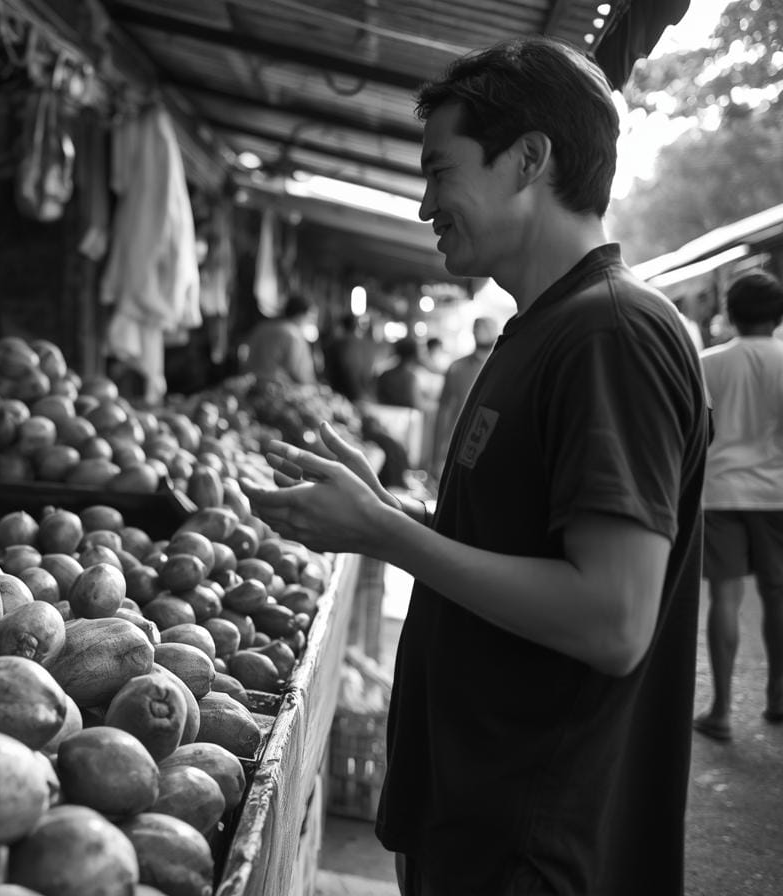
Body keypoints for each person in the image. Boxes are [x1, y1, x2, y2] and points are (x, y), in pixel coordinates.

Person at [245, 38, 708, 895]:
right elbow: (519, 549)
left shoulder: (612, 335)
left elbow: (611, 619)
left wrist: (383, 531)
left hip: (534, 842)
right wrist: (389, 514)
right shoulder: (545, 325)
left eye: (439, 170)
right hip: (481, 817)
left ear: (530, 158)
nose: (425, 204)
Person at [692, 272, 783, 743]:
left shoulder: (707, 363)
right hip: (777, 496)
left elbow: (693, 433)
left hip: (722, 491)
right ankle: (778, 696)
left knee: (725, 597)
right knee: (777, 594)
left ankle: (722, 710)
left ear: (730, 313)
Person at [429, 316, 498, 476]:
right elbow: (443, 412)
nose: (481, 330)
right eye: (478, 327)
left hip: (491, 452)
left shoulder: (504, 368)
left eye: (487, 327)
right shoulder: (457, 368)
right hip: (458, 449)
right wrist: (436, 457)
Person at [238, 293, 317, 385]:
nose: (311, 321)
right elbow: (298, 372)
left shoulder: (262, 327)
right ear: (301, 315)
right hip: (277, 389)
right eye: (310, 317)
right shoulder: (293, 334)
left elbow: (245, 356)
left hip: (250, 384)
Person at [374, 338, 431, 410]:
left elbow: (378, 398)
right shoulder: (410, 378)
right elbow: (418, 405)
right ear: (414, 355)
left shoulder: (385, 374)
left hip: (385, 417)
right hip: (404, 418)